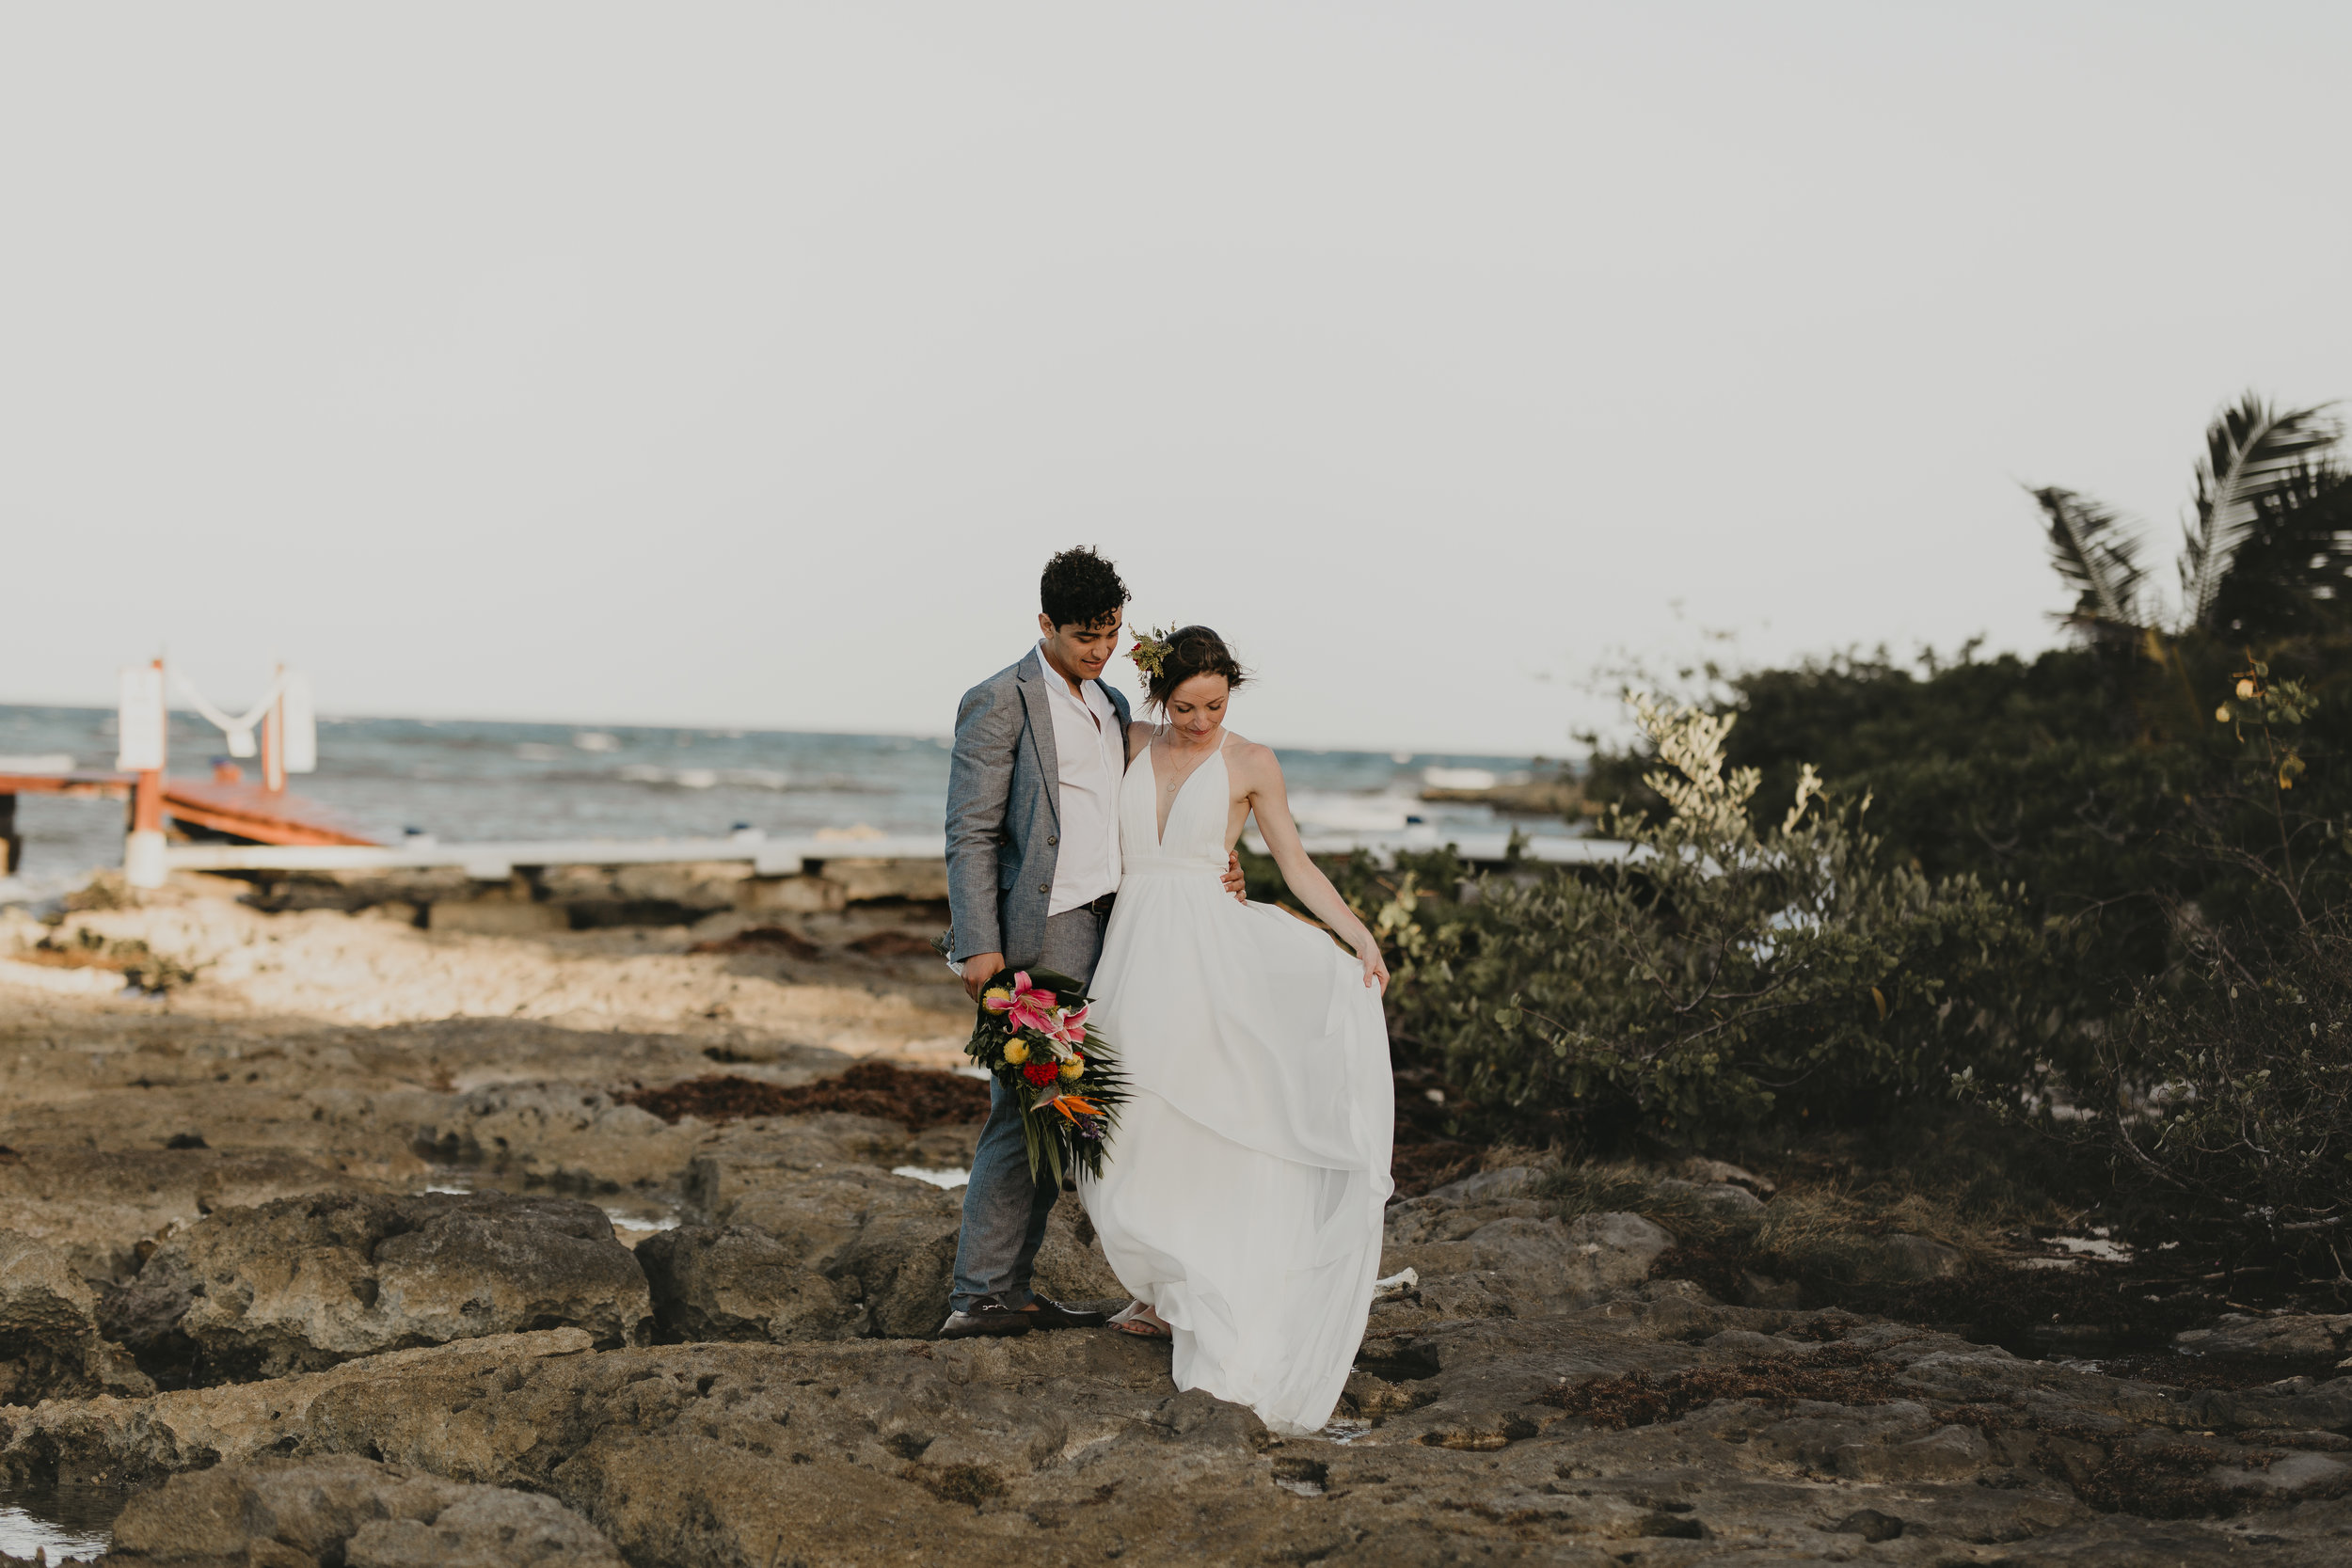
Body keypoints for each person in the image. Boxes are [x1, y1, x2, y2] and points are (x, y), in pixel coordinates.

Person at [1081, 625, 1394, 1435]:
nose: (1200, 721)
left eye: (1215, 704)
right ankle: (1156, 1281)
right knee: (1126, 1118)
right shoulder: (1127, 741)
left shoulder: (1251, 761)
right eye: (1185, 706)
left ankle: (1178, 1290)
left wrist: (1356, 932)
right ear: (1159, 695)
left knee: (1197, 1113)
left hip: (1207, 953)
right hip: (1130, 947)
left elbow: (1293, 861)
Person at [939, 550, 1245, 1339]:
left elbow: (1170, 785)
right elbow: (969, 828)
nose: (1099, 649)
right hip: (1041, 932)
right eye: (1083, 636)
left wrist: (1220, 855)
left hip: (1119, 924)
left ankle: (1011, 1285)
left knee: (1073, 1112)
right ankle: (979, 1293)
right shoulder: (998, 700)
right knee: (1025, 1107)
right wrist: (977, 944)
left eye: (1109, 634)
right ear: (1044, 623)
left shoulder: (1110, 704)